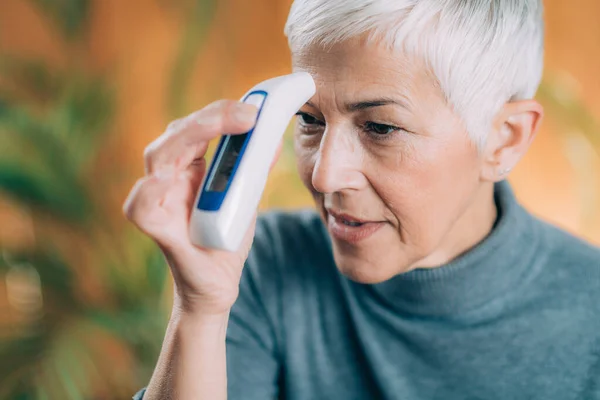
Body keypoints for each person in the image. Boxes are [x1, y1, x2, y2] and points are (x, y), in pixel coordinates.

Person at [125, 0, 600, 399]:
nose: (325, 175)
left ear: (503, 139)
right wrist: (201, 310)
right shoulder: (264, 262)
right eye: (309, 120)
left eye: (380, 128)